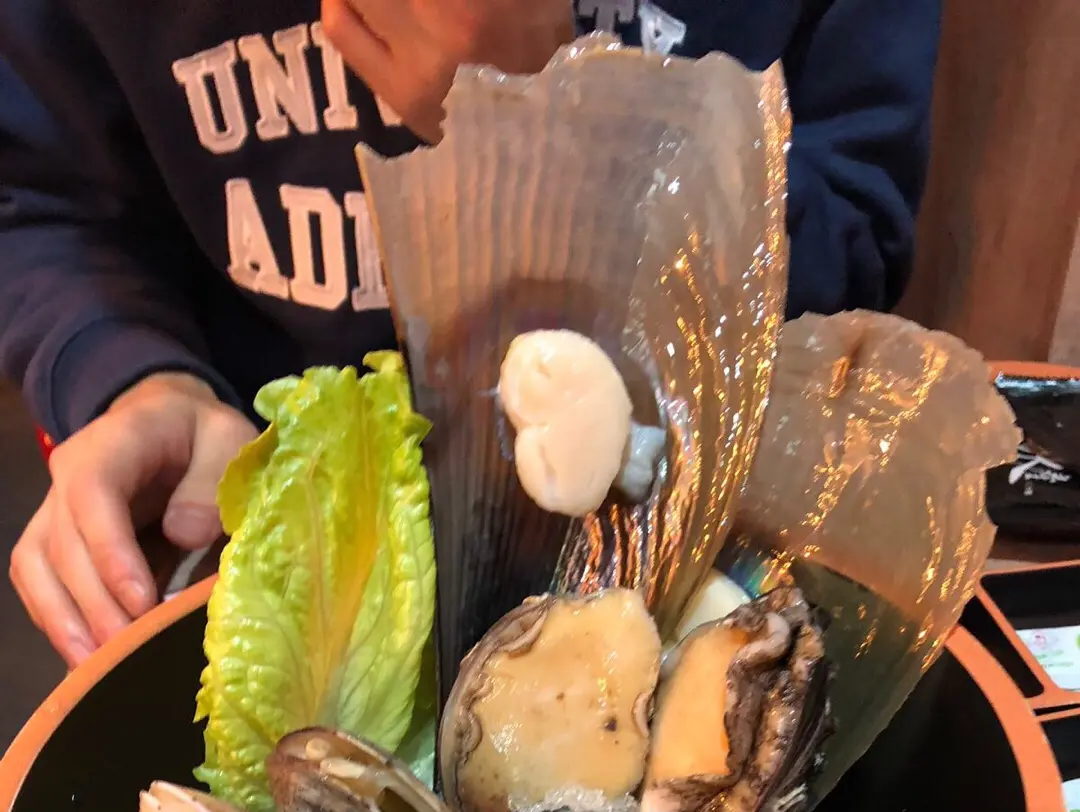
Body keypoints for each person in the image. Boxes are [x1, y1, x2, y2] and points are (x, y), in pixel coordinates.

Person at [0, 0, 943, 667]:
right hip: (277, 568)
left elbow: (851, 238)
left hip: (685, 556)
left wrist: (572, 117)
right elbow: (47, 201)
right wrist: (132, 374)